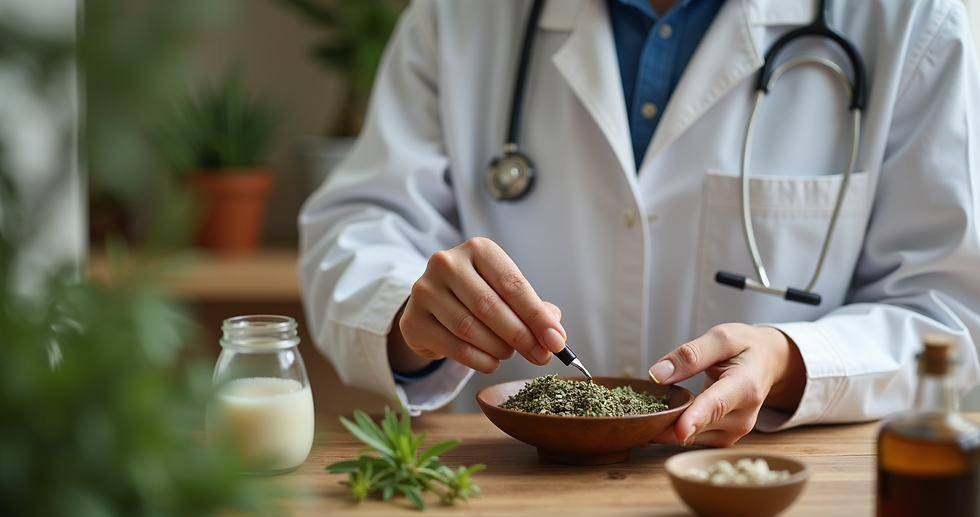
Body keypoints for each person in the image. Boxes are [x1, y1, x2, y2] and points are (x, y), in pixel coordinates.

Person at [298, 0, 980, 447]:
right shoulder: (461, 16)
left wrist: (794, 361)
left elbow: (949, 308)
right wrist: (410, 315)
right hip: (516, 499)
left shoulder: (914, 19)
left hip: (774, 493)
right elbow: (358, 225)